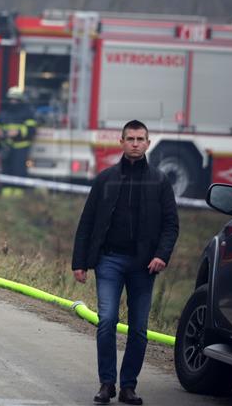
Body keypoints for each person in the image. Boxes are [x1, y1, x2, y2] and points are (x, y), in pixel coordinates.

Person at [71, 119, 179, 405]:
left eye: (139, 139)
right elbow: (87, 222)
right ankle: (107, 383)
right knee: (106, 320)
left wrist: (161, 255)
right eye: (129, 138)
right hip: (109, 261)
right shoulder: (106, 179)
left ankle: (128, 386)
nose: (134, 143)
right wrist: (79, 262)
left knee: (139, 329)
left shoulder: (159, 181)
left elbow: (171, 225)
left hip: (144, 266)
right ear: (120, 142)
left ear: (148, 143)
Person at [0, 86, 37, 195]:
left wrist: (18, 132)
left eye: (16, 99)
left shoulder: (27, 112)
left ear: (20, 100)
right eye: (11, 99)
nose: (13, 101)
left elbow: (31, 129)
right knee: (6, 171)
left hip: (20, 147)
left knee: (19, 172)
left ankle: (18, 196)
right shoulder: (4, 112)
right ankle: (7, 195)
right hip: (6, 147)